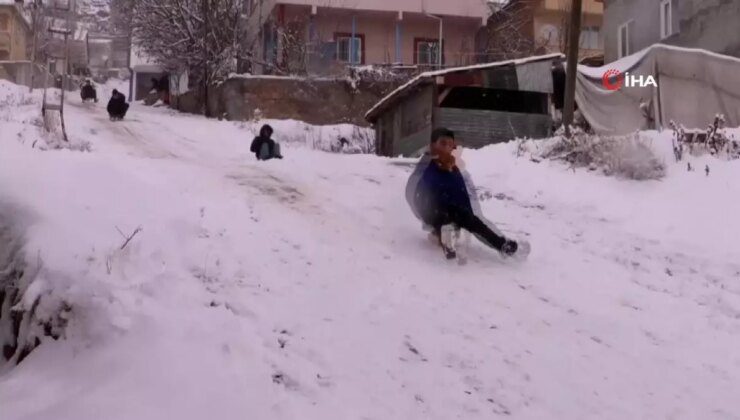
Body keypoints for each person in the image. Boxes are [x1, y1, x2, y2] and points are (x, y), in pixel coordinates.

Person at [407, 128, 519, 258]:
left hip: (451, 210)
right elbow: (412, 191)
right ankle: (445, 239)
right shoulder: (426, 164)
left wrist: (468, 216)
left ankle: (501, 244)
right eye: (443, 143)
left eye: (450, 144)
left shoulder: (453, 169)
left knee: (471, 220)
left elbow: (462, 195)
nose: (447, 148)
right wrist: (421, 211)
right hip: (430, 209)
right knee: (441, 213)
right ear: (433, 145)